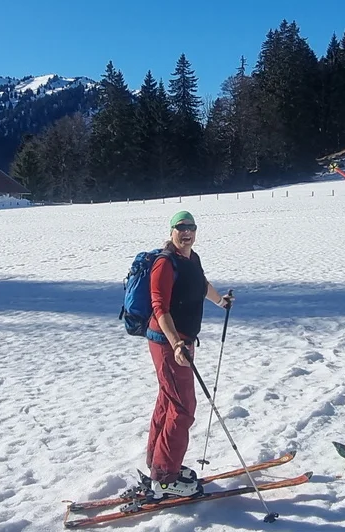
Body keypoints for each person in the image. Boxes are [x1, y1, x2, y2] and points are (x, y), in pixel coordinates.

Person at [144, 210, 234, 498]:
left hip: (183, 342)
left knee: (169, 402)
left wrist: (220, 301)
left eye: (191, 228)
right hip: (168, 343)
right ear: (171, 231)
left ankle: (160, 466)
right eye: (181, 228)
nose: (186, 232)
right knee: (183, 407)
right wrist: (176, 344)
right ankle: (166, 480)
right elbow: (160, 307)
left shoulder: (191, 259)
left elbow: (201, 284)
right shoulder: (164, 263)